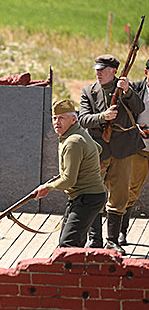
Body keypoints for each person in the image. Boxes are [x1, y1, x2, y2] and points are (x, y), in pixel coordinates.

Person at [79, 54, 144, 254]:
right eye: (96, 69)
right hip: (98, 150)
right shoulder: (88, 91)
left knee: (120, 196)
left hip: (123, 150)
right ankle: (94, 239)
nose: (98, 73)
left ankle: (113, 240)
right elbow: (83, 119)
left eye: (102, 69)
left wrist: (127, 92)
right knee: (94, 193)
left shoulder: (127, 88)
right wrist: (102, 117)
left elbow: (139, 108)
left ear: (114, 71)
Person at [33, 100, 106, 247]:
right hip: (83, 197)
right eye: (54, 118)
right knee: (70, 244)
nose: (56, 122)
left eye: (62, 118)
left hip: (87, 198)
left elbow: (69, 180)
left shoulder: (73, 141)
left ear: (73, 119)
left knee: (68, 245)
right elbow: (98, 149)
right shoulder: (78, 134)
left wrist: (48, 187)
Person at [122, 59, 149, 245]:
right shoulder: (136, 89)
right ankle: (121, 231)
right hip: (139, 149)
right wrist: (135, 128)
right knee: (129, 192)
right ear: (147, 73)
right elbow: (123, 114)